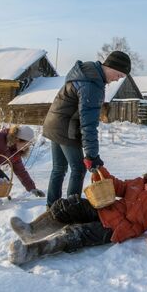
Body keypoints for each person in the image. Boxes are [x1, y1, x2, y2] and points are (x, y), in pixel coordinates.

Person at [8, 156, 147, 265]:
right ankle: (31, 231)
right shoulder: (139, 183)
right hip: (105, 209)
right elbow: (117, 186)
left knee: (75, 234)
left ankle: (29, 252)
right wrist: (99, 169)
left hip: (115, 229)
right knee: (70, 204)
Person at [43, 51, 131, 208]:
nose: (117, 79)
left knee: (59, 168)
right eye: (119, 75)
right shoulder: (92, 84)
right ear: (110, 67)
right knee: (78, 169)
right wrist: (91, 155)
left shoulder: (84, 73)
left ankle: (52, 207)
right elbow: (88, 124)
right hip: (66, 127)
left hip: (54, 123)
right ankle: (70, 211)